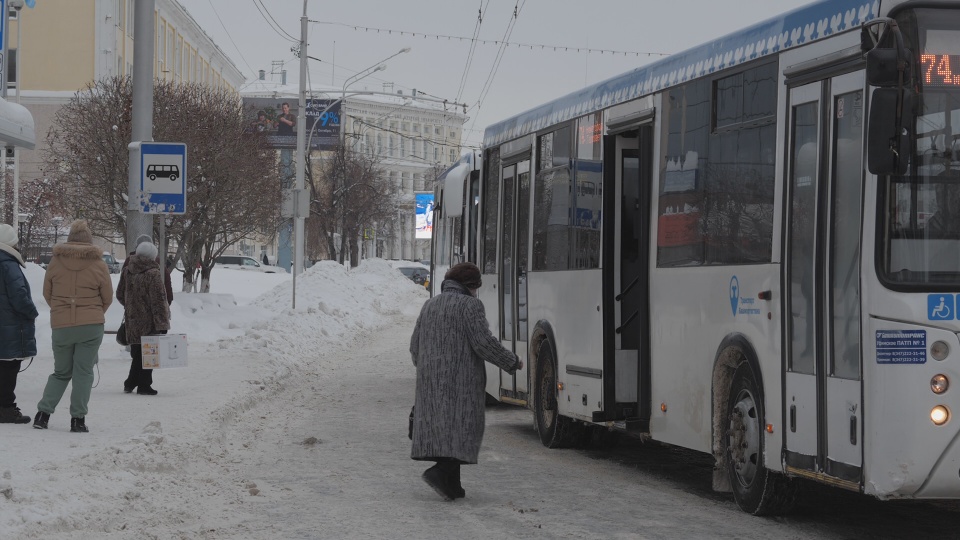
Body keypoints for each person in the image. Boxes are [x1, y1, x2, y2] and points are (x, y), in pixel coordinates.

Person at [409, 262, 522, 501]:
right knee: (461, 427)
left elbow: (414, 346)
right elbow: (483, 343)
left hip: (430, 380)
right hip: (461, 381)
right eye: (476, 287)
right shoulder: (470, 306)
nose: (476, 292)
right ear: (470, 285)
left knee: (445, 429)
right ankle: (440, 473)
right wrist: (511, 362)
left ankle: (453, 485)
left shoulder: (430, 305)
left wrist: (429, 370)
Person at [35, 219, 112, 433]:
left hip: (61, 325)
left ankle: (43, 415)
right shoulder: (99, 263)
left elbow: (47, 293)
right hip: (91, 326)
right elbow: (107, 297)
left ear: (69, 239)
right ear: (89, 241)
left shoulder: (55, 262)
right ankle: (77, 420)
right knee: (83, 373)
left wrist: (61, 312)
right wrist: (94, 313)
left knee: (60, 372)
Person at [117, 241, 171, 395]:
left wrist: (131, 306)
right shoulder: (152, 273)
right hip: (150, 321)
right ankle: (144, 385)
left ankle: (130, 383)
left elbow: (120, 294)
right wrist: (162, 323)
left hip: (132, 320)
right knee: (149, 354)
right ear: (152, 256)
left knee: (137, 352)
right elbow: (159, 301)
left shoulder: (127, 270)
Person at [0, 224, 38, 424]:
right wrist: (32, 312)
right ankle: (6, 408)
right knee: (9, 367)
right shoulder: (8, 263)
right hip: (9, 324)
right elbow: (19, 296)